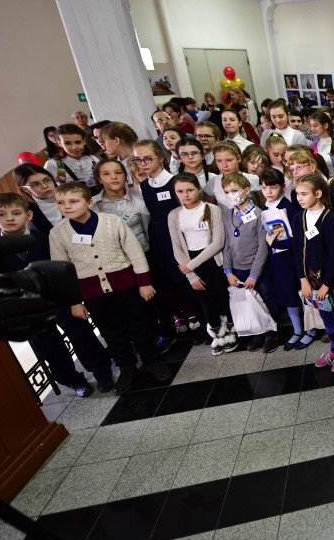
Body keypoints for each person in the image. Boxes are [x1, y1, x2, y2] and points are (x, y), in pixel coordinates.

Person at [50, 181, 173, 392]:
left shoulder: (111, 221)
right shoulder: (58, 233)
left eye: (73, 201)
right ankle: (127, 367)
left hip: (125, 285)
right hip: (93, 292)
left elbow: (134, 252)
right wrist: (74, 302)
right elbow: (62, 271)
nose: (67, 206)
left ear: (89, 202)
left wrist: (144, 282)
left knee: (139, 324)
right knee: (111, 331)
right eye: (61, 203)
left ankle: (152, 360)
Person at [0, 192, 115, 394]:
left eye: (16, 213)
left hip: (61, 300)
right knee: (50, 347)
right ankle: (73, 380)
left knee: (82, 336)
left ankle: (102, 371)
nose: (10, 218)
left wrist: (75, 301)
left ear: (28, 216)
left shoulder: (47, 239)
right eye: (2, 214)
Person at [133, 139, 203, 341]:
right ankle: (180, 316)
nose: (143, 163)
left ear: (160, 158)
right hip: (157, 236)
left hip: (178, 234)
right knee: (166, 280)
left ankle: (200, 319)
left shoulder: (174, 182)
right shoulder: (144, 186)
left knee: (185, 277)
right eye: (138, 160)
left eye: (147, 158)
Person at [169, 172, 236, 353]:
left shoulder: (212, 209)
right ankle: (217, 336)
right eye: (180, 191)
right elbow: (177, 248)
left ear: (199, 189)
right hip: (190, 264)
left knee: (224, 298)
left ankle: (232, 334)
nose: (186, 194)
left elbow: (217, 243)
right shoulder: (174, 215)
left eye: (190, 190)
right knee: (206, 303)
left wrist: (191, 265)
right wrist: (190, 274)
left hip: (213, 261)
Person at [293, 173, 334, 363]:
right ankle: (333, 348)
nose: (299, 198)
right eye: (297, 193)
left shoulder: (330, 219)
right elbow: (297, 250)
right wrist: (302, 279)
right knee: (324, 314)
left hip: (328, 279)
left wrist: (326, 284)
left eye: (304, 194)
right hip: (310, 279)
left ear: (317, 193)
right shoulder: (298, 217)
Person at [221, 172, 279, 352]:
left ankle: (273, 332)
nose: (231, 195)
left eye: (234, 190)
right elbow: (227, 245)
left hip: (257, 269)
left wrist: (254, 274)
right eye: (227, 191)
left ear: (246, 191)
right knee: (249, 303)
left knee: (266, 298)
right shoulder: (227, 215)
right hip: (237, 269)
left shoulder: (259, 214)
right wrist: (228, 271)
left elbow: (263, 247)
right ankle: (258, 332)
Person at [258, 168, 305, 350]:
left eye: (272, 187)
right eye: (263, 188)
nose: (268, 192)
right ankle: (297, 330)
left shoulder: (288, 207)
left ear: (282, 187)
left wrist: (277, 244)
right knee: (286, 295)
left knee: (298, 293)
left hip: (290, 258)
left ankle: (309, 329)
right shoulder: (265, 207)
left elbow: (298, 239)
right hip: (277, 259)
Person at [44, 123, 99, 189]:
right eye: (67, 143)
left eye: (78, 142)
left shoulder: (93, 159)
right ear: (59, 143)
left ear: (84, 141)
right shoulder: (54, 165)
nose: (74, 147)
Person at [210, 142, 261, 209]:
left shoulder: (253, 179)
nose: (224, 165)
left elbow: (264, 206)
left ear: (238, 158)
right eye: (219, 161)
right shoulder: (213, 182)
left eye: (229, 160)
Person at [14, 163, 63, 232]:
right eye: (35, 184)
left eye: (47, 180)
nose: (45, 186)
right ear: (25, 190)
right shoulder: (29, 212)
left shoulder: (70, 194)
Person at [308, 110, 334, 175]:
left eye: (315, 126)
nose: (312, 129)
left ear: (326, 126)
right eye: (311, 126)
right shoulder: (313, 146)